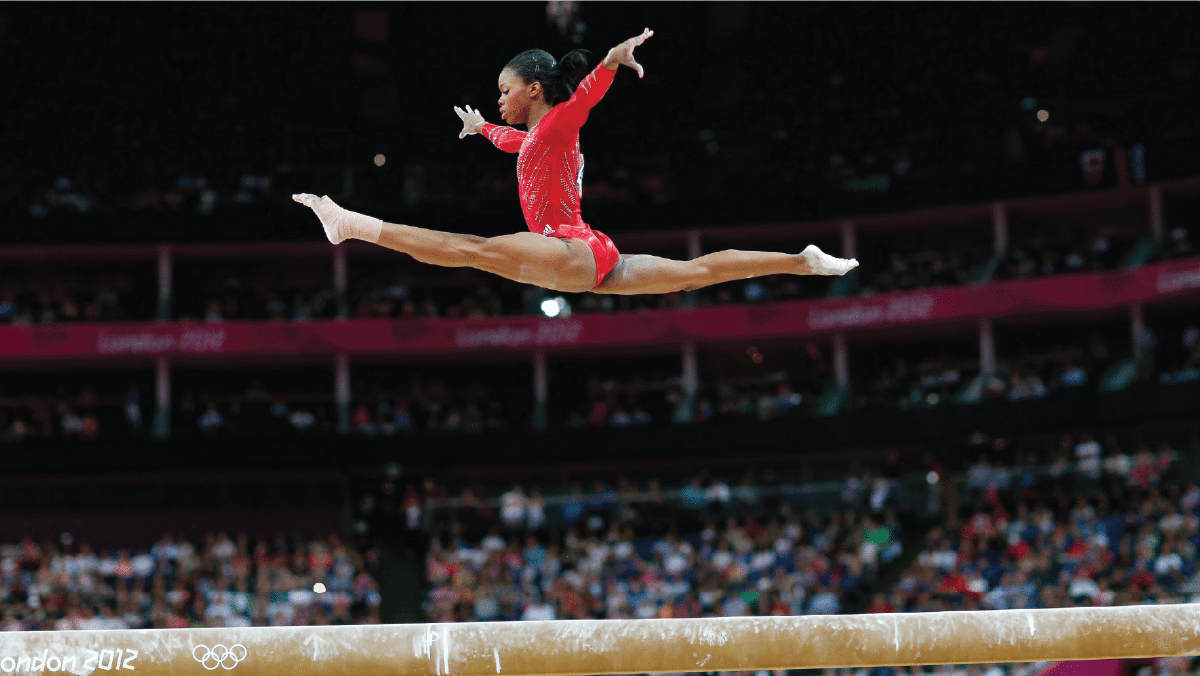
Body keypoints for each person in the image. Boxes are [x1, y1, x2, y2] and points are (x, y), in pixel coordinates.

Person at [295, 28, 857, 295]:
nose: (499, 99)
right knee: (698, 272)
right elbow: (511, 143)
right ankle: (801, 260)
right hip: (590, 257)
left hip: (570, 248)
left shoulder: (560, 121)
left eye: (503, 90)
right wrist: (482, 127)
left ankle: (351, 225)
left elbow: (582, 97)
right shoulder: (536, 139)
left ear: (535, 90)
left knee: (472, 249)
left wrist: (611, 61)